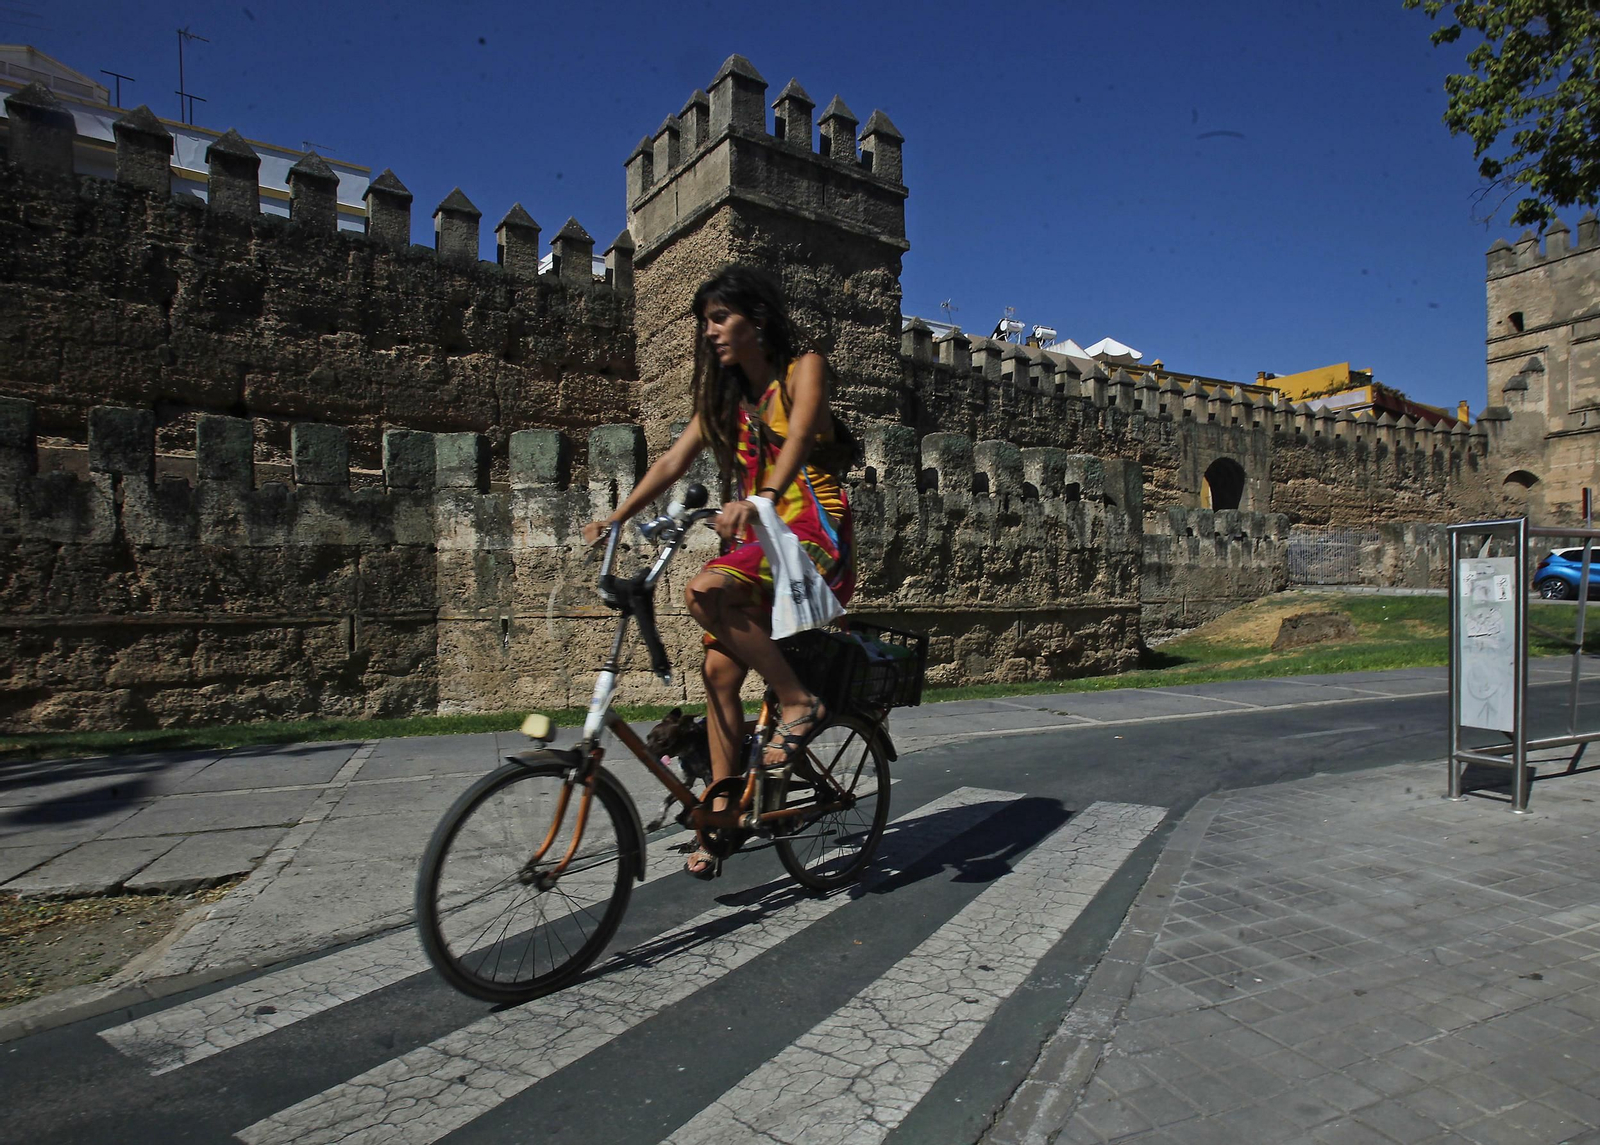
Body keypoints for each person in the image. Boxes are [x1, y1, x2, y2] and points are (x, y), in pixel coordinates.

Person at [582, 265, 855, 878]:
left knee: (703, 590)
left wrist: (761, 497)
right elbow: (673, 461)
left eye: (719, 318)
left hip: (810, 531)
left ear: (755, 318)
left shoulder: (801, 369)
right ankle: (724, 813)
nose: (709, 332)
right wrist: (617, 518)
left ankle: (797, 701)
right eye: (703, 322)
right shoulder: (725, 405)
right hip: (761, 543)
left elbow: (804, 433)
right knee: (716, 673)